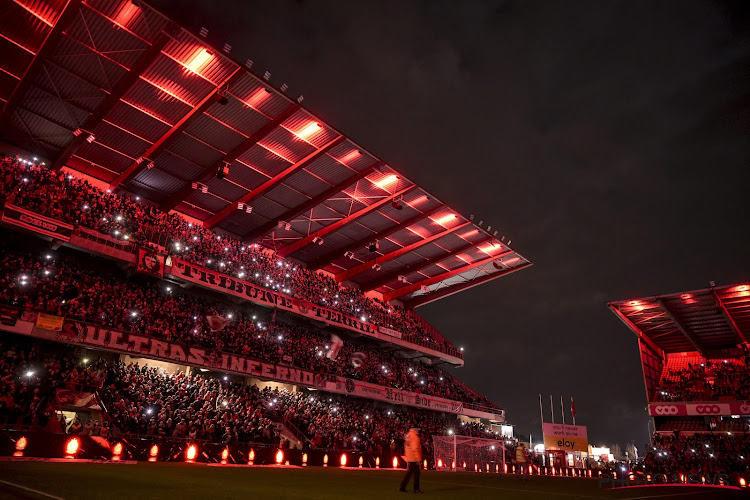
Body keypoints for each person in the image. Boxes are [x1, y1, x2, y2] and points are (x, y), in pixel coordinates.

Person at [399, 427, 423, 493]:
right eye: (418, 429)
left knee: (410, 472)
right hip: (414, 457)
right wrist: (418, 458)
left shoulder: (408, 435)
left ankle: (402, 487)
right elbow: (415, 448)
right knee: (416, 473)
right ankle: (416, 489)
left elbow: (406, 445)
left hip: (410, 456)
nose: (418, 431)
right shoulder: (414, 436)